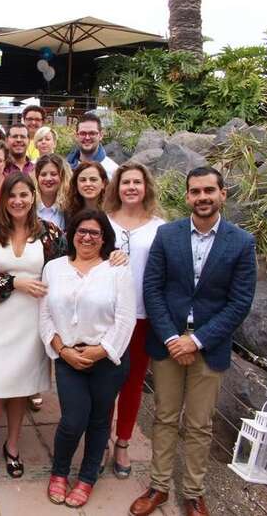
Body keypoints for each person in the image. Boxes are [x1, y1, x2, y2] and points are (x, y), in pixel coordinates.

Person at [129, 167, 257, 516]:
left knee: (200, 424)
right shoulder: (167, 235)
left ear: (222, 194)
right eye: (195, 191)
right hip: (168, 341)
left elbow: (239, 303)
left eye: (209, 191)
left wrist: (196, 340)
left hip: (209, 346)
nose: (202, 197)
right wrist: (173, 337)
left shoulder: (241, 242)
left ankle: (193, 493)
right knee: (165, 417)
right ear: (187, 196)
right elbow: (152, 289)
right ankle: (157, 487)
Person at [41, 209, 135, 508]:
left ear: (105, 237)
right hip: (68, 355)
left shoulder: (117, 269)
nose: (87, 237)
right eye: (81, 231)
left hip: (106, 358)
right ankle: (59, 472)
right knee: (72, 420)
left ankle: (87, 476)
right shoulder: (54, 268)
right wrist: (62, 350)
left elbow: (125, 318)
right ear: (71, 234)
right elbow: (44, 314)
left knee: (98, 420)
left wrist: (102, 350)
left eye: (95, 232)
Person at [0, 173, 66, 481]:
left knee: (19, 389)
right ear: (3, 199)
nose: (18, 201)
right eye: (12, 195)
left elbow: (63, 273)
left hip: (32, 322)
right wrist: (14, 282)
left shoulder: (50, 234)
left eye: (24, 195)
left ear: (34, 197)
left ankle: (12, 445)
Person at [103, 162, 166, 479]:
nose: (130, 187)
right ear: (117, 187)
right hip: (106, 316)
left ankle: (123, 442)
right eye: (125, 182)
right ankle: (100, 439)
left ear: (146, 187)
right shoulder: (104, 222)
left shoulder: (159, 227)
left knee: (132, 383)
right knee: (103, 383)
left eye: (136, 182)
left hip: (142, 315)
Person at [66, 113, 118, 178]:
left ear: (101, 135)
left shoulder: (112, 171)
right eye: (83, 133)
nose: (87, 138)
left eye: (92, 133)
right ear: (76, 136)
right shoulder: (65, 168)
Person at [35, 154, 71, 230]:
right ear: (37, 178)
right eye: (43, 174)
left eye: (54, 174)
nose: (48, 178)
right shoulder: (29, 206)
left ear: (62, 177)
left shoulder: (70, 208)